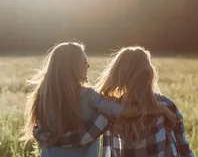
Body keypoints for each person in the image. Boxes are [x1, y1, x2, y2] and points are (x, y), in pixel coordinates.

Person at [21, 42, 176, 157]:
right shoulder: (88, 96)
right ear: (72, 66)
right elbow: (121, 112)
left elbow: (44, 133)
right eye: (84, 62)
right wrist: (161, 108)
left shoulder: (42, 95)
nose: (88, 66)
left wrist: (50, 139)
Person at [96, 46, 194, 157]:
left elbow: (84, 137)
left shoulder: (109, 108)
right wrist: (159, 109)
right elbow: (184, 148)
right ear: (150, 74)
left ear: (117, 75)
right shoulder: (167, 105)